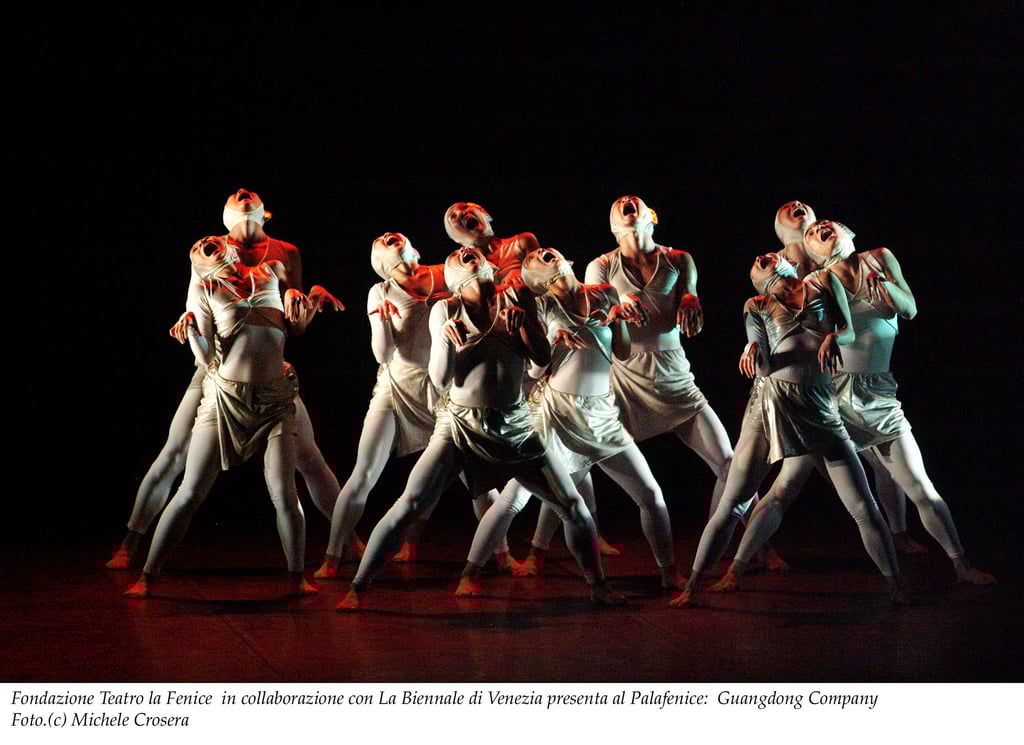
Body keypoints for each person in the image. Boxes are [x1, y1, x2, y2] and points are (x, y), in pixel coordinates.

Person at [337, 247, 624, 609]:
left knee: (572, 504)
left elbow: (540, 361)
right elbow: (440, 379)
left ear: (487, 266)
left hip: (515, 425)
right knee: (410, 503)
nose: (465, 251)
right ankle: (359, 587)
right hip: (460, 425)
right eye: (457, 254)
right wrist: (448, 343)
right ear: (454, 278)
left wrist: (524, 328)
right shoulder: (446, 309)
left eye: (472, 253)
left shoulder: (517, 297)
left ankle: (598, 586)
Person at [716, 221, 995, 590]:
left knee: (920, 486)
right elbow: (780, 316)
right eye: (812, 233)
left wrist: (887, 287)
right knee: (785, 487)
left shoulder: (880, 259)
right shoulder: (817, 282)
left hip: (879, 395)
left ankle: (961, 565)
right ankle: (735, 569)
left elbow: (910, 310)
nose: (819, 228)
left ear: (847, 232)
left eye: (826, 224)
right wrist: (756, 346)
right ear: (812, 254)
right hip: (832, 397)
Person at [108, 189, 343, 568]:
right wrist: (192, 327)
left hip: (268, 375)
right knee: (175, 453)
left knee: (309, 458)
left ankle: (350, 539)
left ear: (265, 213)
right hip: (215, 370)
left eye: (250, 195)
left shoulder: (286, 253)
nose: (242, 192)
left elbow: (293, 323)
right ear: (225, 215)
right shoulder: (211, 248)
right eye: (235, 196)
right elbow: (198, 302)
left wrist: (308, 301)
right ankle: (130, 543)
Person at [671, 249, 906, 607]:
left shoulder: (824, 283)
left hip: (818, 407)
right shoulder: (757, 306)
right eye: (756, 263)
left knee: (862, 504)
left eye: (766, 256)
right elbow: (764, 363)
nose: (761, 256)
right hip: (770, 407)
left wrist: (834, 337)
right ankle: (693, 586)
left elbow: (846, 331)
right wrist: (754, 350)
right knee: (733, 502)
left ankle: (896, 586)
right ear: (760, 283)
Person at [457, 248, 682, 595]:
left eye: (544, 251)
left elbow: (622, 353)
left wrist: (619, 320)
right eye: (533, 258)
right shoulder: (541, 305)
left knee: (651, 494)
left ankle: (669, 573)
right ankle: (469, 573)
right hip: (557, 416)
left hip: (601, 415)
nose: (540, 252)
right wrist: (551, 337)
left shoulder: (605, 293)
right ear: (536, 278)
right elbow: (536, 369)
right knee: (514, 499)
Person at [314, 233, 510, 578]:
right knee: (364, 472)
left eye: (394, 236)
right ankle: (333, 556)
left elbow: (491, 277)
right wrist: (383, 323)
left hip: (442, 388)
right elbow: (382, 355)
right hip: (396, 388)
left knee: (477, 478)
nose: (388, 236)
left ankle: (503, 554)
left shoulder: (446, 272)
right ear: (380, 262)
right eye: (381, 240)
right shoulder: (380, 291)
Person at [585, 196, 740, 531]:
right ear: (613, 225)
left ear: (650, 216)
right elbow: (592, 317)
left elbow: (691, 296)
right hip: (624, 376)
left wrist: (691, 298)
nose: (627, 201)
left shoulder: (678, 258)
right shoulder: (602, 265)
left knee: (731, 464)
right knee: (577, 456)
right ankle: (550, 545)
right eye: (619, 202)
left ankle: (739, 542)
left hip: (673, 374)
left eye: (635, 201)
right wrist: (616, 302)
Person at [443, 201, 540, 285]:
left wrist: (523, 275)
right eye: (453, 217)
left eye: (464, 207)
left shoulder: (523, 242)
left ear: (483, 213)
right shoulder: (462, 268)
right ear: (455, 236)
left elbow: (541, 280)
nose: (461, 212)